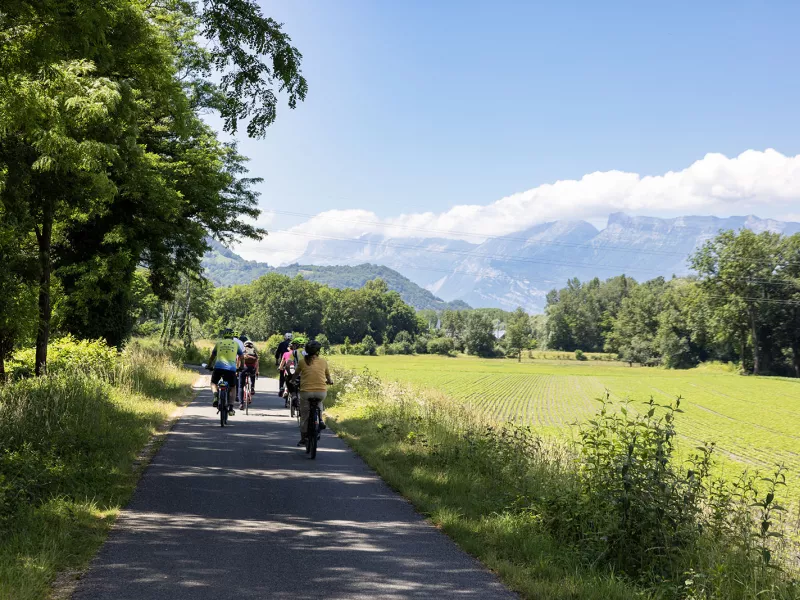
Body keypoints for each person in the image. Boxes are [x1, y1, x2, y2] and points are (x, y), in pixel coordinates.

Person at [292, 339, 332, 447]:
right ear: (318, 351)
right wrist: (330, 381)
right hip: (321, 392)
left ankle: (303, 439)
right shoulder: (323, 361)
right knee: (319, 403)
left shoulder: (302, 362)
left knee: (304, 415)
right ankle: (320, 419)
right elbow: (328, 376)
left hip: (306, 392)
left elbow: (296, 374)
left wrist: (292, 380)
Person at [207, 328, 243, 412]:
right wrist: (241, 367)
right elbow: (242, 357)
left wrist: (209, 365)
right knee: (233, 387)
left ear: (224, 335)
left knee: (213, 383)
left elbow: (212, 357)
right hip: (231, 369)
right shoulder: (236, 344)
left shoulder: (219, 343)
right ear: (232, 336)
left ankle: (216, 396)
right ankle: (231, 408)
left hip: (218, 367)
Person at [238, 339, 259, 409]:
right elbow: (257, 363)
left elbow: (238, 360)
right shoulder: (254, 352)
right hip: (252, 369)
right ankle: (252, 387)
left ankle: (241, 404)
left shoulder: (242, 352)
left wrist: (237, 370)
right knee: (252, 374)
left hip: (243, 369)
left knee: (240, 386)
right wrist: (256, 372)